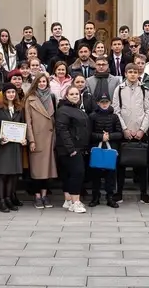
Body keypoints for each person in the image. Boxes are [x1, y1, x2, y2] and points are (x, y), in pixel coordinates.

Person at [112, 63, 149, 204]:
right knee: (121, 165)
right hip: (125, 132)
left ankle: (143, 193)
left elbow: (148, 110)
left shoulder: (144, 89)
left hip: (140, 131)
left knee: (142, 164)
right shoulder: (119, 89)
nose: (133, 74)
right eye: (130, 72)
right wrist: (124, 129)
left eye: (135, 72)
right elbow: (116, 111)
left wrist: (142, 129)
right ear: (125, 73)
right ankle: (119, 193)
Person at [0, 83, 27, 213]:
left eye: (13, 92)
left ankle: (9, 198)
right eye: (8, 92)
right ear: (4, 94)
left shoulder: (19, 108)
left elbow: (23, 125)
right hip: (3, 145)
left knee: (13, 175)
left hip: (15, 145)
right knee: (2, 175)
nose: (11, 94)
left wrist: (24, 138)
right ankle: (1, 201)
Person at [24, 73, 58, 209]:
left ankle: (45, 195)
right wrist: (31, 140)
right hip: (37, 139)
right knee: (37, 170)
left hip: (49, 138)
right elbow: (28, 121)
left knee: (47, 170)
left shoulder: (52, 97)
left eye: (44, 81)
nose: (42, 84)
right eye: (40, 82)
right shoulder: (30, 99)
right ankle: (37, 196)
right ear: (36, 83)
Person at [55, 85, 91, 213]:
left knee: (68, 174)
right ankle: (76, 202)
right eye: (72, 94)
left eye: (77, 94)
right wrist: (71, 149)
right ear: (66, 96)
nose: (75, 96)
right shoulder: (63, 110)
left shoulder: (77, 109)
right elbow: (62, 130)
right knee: (78, 173)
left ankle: (68, 200)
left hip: (77, 147)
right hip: (69, 149)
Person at [89, 94, 123, 208]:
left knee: (110, 175)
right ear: (98, 103)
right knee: (95, 175)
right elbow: (89, 133)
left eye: (106, 102)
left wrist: (109, 136)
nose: (104, 104)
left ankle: (110, 197)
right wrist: (100, 137)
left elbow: (120, 133)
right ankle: (95, 197)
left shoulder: (114, 117)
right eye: (102, 102)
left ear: (110, 103)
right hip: (97, 149)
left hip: (111, 149)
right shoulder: (92, 116)